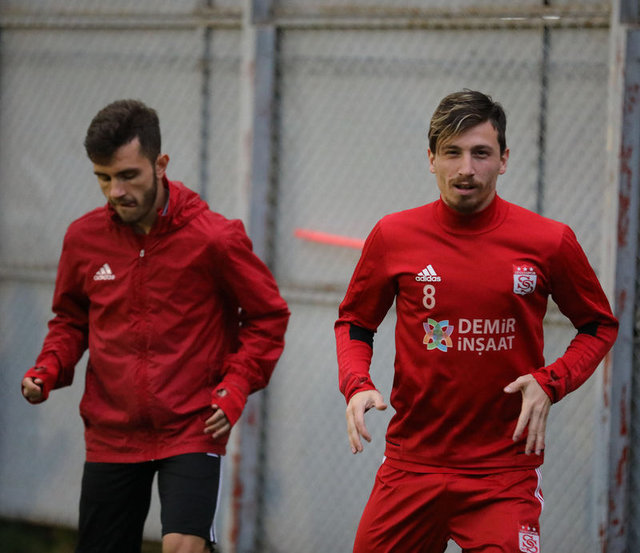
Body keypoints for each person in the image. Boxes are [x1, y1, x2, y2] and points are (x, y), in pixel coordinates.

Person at [335, 90, 618, 552]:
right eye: (452, 152)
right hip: (412, 465)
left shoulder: (549, 241)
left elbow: (598, 325)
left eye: (481, 153)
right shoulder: (393, 235)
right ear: (431, 159)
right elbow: (355, 322)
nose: (466, 168)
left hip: (503, 474)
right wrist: (356, 383)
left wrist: (551, 382)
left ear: (504, 160)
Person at [21, 99, 290, 553]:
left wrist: (236, 385)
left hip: (193, 424)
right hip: (111, 431)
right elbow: (71, 319)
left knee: (183, 546)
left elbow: (268, 315)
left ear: (160, 165)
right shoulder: (83, 238)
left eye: (129, 175)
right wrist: (48, 367)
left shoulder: (214, 238)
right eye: (103, 178)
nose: (115, 191)